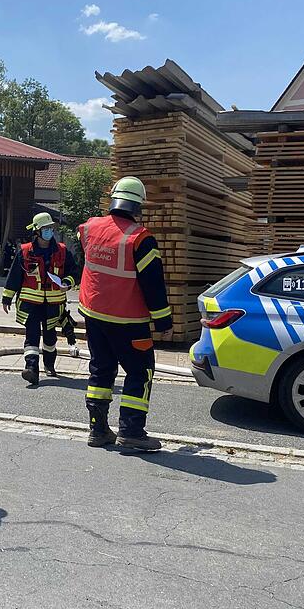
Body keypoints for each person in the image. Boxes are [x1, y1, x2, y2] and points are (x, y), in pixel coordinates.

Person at [77, 176, 173, 453]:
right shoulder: (141, 239)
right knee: (140, 371)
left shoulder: (90, 228)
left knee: (101, 368)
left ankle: (97, 430)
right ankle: (131, 431)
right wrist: (163, 321)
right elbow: (153, 285)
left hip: (94, 314)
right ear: (138, 206)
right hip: (128, 321)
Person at [2, 212, 79, 386]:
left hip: (53, 304)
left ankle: (49, 365)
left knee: (50, 338)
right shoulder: (25, 251)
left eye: (51, 228)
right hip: (30, 304)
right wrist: (7, 298)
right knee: (32, 336)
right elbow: (15, 276)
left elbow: (74, 272)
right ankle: (31, 369)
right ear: (37, 231)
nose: (49, 231)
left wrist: (67, 282)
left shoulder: (62, 251)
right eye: (46, 228)